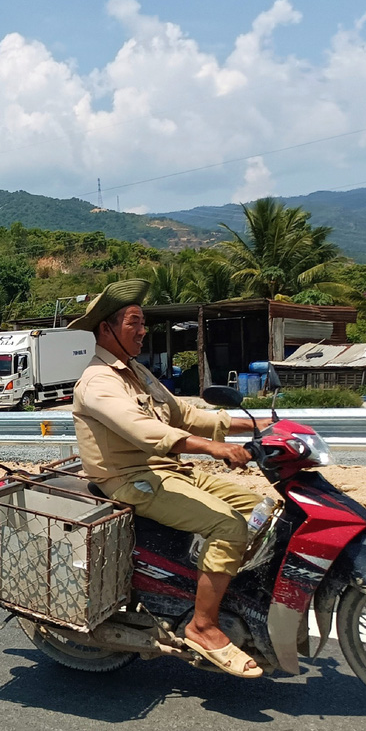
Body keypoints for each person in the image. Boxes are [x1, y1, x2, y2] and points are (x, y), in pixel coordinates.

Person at [68, 279, 274, 678]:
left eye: (143, 322)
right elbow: (145, 431)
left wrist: (253, 422)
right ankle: (203, 626)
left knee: (263, 509)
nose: (143, 330)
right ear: (106, 330)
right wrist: (213, 448)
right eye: (134, 322)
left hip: (170, 470)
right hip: (132, 479)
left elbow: (181, 412)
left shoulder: (136, 371)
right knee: (229, 525)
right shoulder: (97, 381)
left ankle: (219, 585)